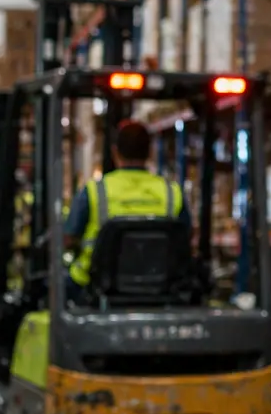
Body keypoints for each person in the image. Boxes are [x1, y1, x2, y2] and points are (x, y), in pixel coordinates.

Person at [63, 120, 189, 300]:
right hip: (160, 288)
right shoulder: (172, 192)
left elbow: (69, 238)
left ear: (115, 152)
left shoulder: (94, 191)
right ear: (150, 152)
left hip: (96, 289)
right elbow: (187, 238)